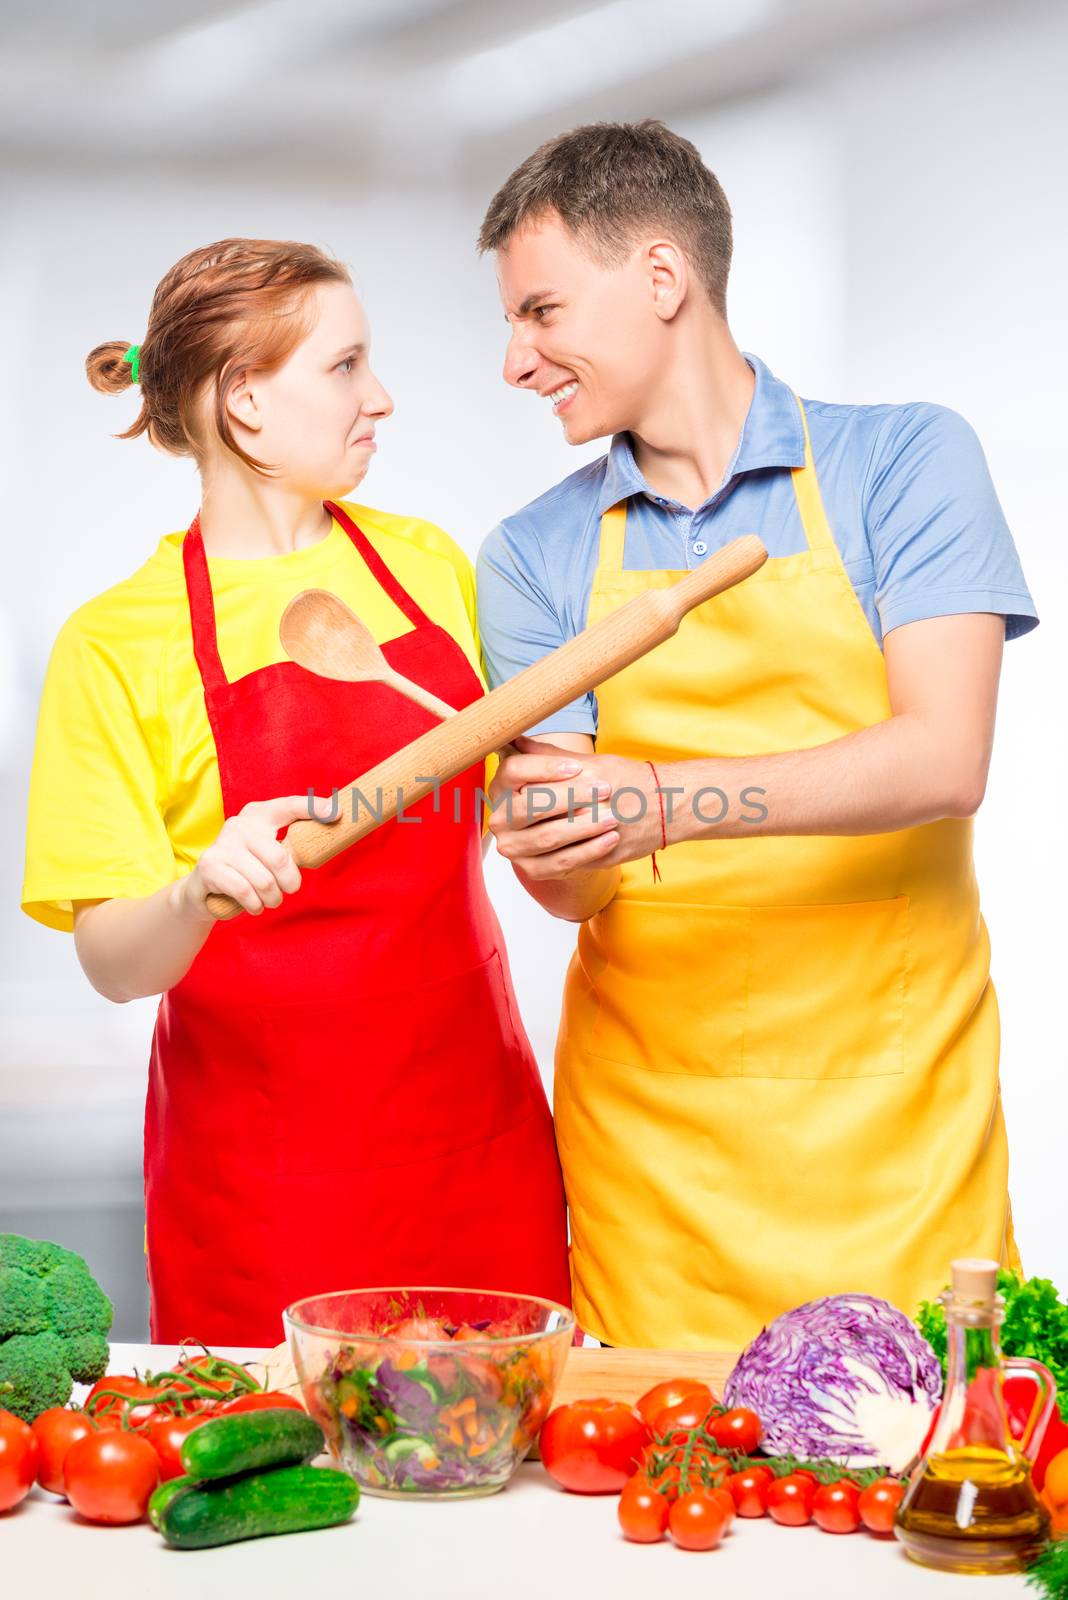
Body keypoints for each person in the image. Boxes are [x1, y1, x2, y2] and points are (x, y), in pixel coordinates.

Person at [474, 120, 1038, 1351]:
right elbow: (576, 887)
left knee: (924, 1485)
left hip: (896, 1131)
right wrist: (549, 843)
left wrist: (663, 799)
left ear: (664, 280)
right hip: (656, 1158)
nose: (516, 360)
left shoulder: (903, 461)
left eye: (541, 311)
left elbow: (945, 758)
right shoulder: (530, 555)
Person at [21, 237, 569, 1345]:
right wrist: (193, 895)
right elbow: (111, 960)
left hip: (478, 1145)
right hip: (267, 1185)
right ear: (245, 401)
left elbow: (526, 793)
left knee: (504, 1487)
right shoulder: (118, 643)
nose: (383, 399)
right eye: (347, 366)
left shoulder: (428, 565)